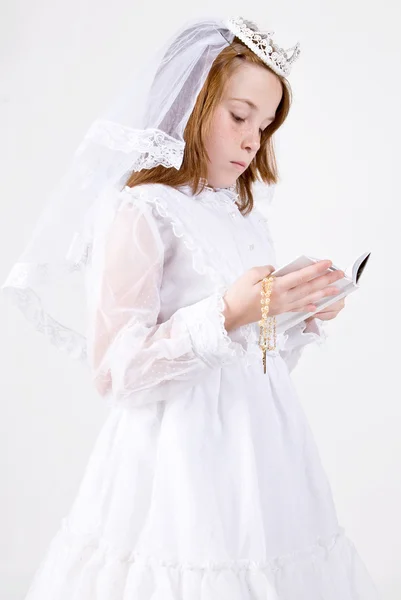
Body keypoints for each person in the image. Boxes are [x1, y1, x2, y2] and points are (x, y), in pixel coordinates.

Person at [2, 15, 380, 599]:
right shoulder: (144, 211)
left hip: (261, 454)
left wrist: (293, 312)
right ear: (193, 102)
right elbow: (116, 373)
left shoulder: (241, 215)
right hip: (178, 461)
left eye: (266, 124)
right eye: (239, 116)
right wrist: (228, 312)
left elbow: (252, 360)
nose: (253, 139)